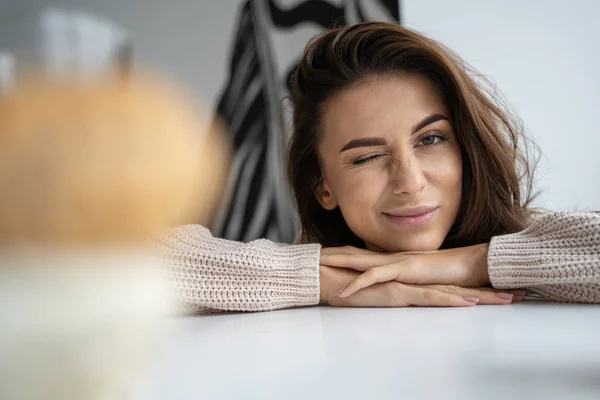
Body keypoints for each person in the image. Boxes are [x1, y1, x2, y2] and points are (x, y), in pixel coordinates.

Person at [160, 22, 600, 314]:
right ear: (323, 187)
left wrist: (478, 262)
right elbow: (110, 265)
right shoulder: (292, 285)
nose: (409, 182)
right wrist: (314, 279)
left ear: (465, 147)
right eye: (367, 157)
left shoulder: (543, 247)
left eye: (430, 139)